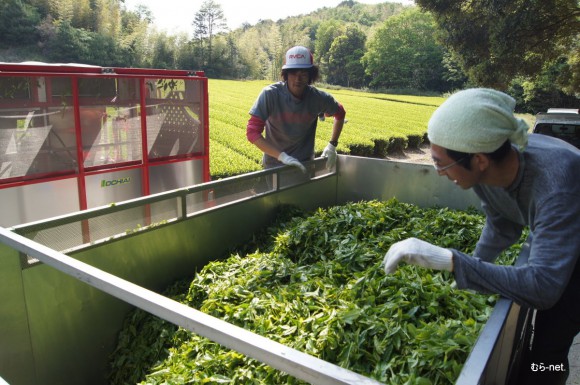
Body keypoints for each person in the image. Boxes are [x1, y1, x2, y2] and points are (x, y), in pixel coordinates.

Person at [382, 88, 580, 385]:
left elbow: (543, 288)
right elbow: (502, 224)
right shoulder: (486, 165)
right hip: (557, 234)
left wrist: (452, 262)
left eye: (440, 162)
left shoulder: (556, 184)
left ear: (479, 160)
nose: (437, 171)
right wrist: (472, 271)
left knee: (548, 348)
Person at [246, 45, 346, 173]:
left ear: (310, 76)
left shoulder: (318, 98)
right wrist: (282, 156)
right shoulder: (270, 95)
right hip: (274, 166)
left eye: (303, 74)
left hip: (305, 165)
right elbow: (252, 132)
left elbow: (340, 112)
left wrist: (332, 145)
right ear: (286, 74)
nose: (298, 79)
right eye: (293, 73)